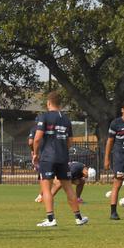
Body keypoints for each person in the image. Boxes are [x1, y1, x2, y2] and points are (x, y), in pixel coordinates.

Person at [32, 91, 89, 227]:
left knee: (46, 188)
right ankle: (78, 218)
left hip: (47, 157)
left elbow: (37, 138)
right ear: (60, 103)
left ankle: (51, 219)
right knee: (68, 188)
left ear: (48, 102)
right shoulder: (66, 119)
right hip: (63, 158)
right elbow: (70, 141)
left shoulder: (44, 116)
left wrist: (35, 154)